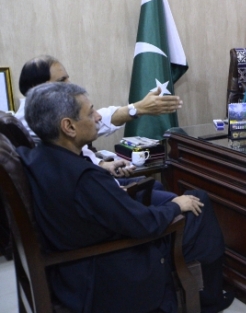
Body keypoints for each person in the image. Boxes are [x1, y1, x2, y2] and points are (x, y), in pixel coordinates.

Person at [18, 82, 234, 312]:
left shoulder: (33, 156)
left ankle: (207, 293)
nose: (98, 117)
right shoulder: (85, 179)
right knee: (196, 203)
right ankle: (207, 300)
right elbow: (144, 224)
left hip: (72, 269)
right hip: (107, 270)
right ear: (68, 126)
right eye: (90, 112)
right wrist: (176, 206)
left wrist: (109, 194)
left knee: (167, 196)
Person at [16, 55, 180, 205]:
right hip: (88, 194)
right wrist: (138, 108)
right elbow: (86, 126)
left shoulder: (45, 110)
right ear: (37, 87)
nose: (70, 84)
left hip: (94, 182)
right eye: (62, 80)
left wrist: (101, 164)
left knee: (155, 186)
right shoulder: (33, 117)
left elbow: (77, 142)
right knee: (176, 203)